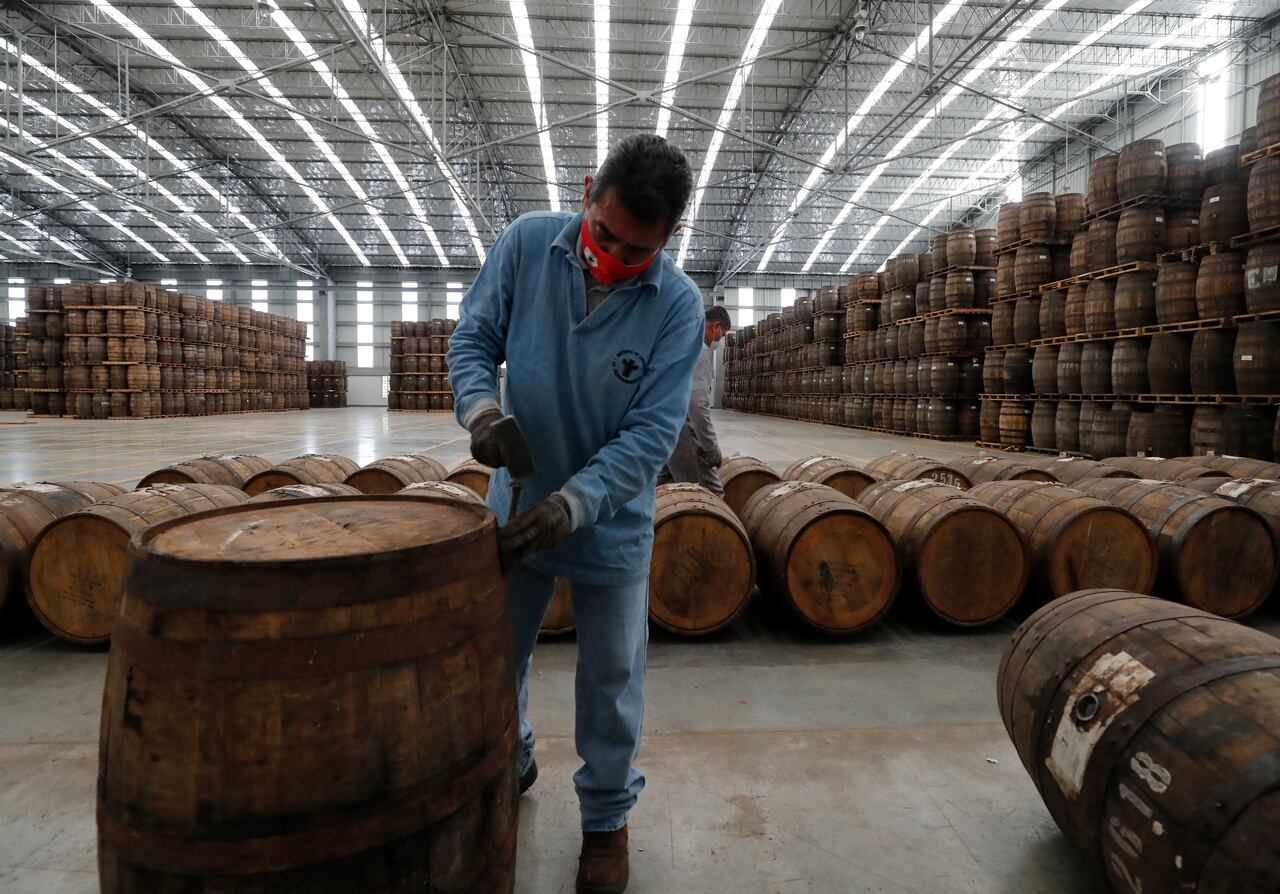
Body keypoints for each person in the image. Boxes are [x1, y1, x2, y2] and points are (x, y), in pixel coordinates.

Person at [447, 133, 704, 894]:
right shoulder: (528, 245)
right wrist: (480, 409)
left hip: (612, 522)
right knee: (497, 658)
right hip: (517, 504)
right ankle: (512, 755)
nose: (612, 258)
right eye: (604, 235)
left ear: (669, 238)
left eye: (637, 251)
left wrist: (576, 504)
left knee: (611, 679)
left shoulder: (677, 306)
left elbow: (651, 435)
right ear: (588, 191)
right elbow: (473, 339)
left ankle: (605, 820)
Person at [658, 305, 731, 496]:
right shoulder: (699, 350)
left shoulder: (681, 343)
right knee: (711, 494)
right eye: (721, 335)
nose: (719, 340)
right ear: (715, 326)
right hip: (683, 431)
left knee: (663, 486)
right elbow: (697, 406)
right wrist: (710, 447)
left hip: (664, 428)